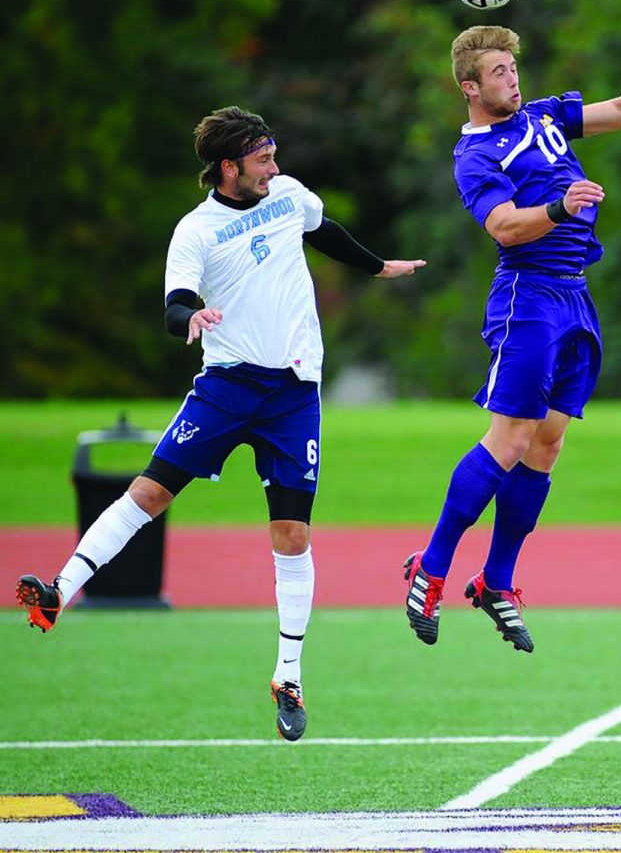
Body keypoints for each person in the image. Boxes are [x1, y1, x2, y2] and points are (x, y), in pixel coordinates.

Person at [17, 105, 426, 741]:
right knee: (148, 493)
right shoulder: (197, 230)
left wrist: (376, 267)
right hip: (228, 387)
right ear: (229, 166)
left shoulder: (287, 194)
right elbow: (175, 302)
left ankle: (288, 675)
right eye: (263, 158)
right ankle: (58, 591)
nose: (276, 166)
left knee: (292, 534)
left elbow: (323, 229)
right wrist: (190, 320)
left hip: (294, 394)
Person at [404, 25, 621, 651]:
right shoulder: (475, 155)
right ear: (469, 87)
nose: (513, 78)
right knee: (511, 436)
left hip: (576, 295)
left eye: (513, 68)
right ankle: (430, 568)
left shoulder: (544, 116)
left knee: (545, 446)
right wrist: (560, 208)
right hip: (529, 296)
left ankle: (497, 581)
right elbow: (503, 227)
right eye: (498, 72)